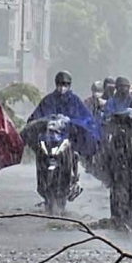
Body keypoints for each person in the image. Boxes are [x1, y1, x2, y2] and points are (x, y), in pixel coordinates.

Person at [27, 70, 102, 201]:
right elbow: (35, 117)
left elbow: (86, 119)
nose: (62, 87)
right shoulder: (48, 100)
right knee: (40, 155)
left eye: (65, 84)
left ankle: (72, 179)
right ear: (56, 84)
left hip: (67, 139)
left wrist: (71, 122)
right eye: (60, 84)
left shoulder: (75, 101)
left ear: (69, 85)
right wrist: (42, 123)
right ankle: (42, 183)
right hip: (49, 139)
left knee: (74, 153)